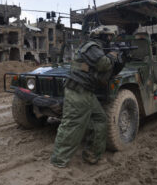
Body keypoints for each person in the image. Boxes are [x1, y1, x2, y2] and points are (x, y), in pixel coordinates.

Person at [50, 26, 118, 167]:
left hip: (86, 92)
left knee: (100, 119)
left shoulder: (95, 47)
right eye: (109, 37)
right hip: (78, 92)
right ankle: (58, 161)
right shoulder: (92, 47)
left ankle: (92, 155)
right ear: (102, 36)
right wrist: (112, 55)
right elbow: (104, 64)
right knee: (72, 125)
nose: (111, 39)